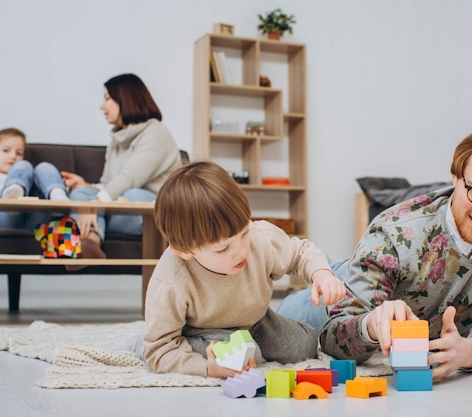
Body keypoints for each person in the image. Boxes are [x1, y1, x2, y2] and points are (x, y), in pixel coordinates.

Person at [278, 121, 472, 380]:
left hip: (395, 289)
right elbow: (333, 338)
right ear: (456, 176)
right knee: (277, 325)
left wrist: (469, 352)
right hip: (333, 295)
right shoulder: (392, 231)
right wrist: (371, 324)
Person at [139, 160, 346, 378]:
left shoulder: (260, 238)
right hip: (201, 329)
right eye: (223, 248)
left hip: (255, 320)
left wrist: (321, 273)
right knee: (247, 357)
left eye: (244, 233)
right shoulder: (172, 280)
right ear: (184, 250)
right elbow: (160, 349)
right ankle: (141, 342)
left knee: (305, 344)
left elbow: (300, 253)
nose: (241, 251)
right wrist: (207, 368)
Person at [60, 73, 182, 268]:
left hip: (154, 211)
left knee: (130, 194)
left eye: (107, 98)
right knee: (81, 193)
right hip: (122, 208)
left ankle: (90, 234)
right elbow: (108, 186)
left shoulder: (156, 132)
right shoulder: (115, 142)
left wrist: (93, 205)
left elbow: (129, 177)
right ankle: (91, 243)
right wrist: (87, 186)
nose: (102, 106)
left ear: (125, 98)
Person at [0, 127, 69, 230]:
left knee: (43, 167)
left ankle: (57, 195)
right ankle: (13, 194)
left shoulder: (28, 174)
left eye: (19, 153)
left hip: (36, 216)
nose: (13, 156)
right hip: (3, 214)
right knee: (23, 165)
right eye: (6, 150)